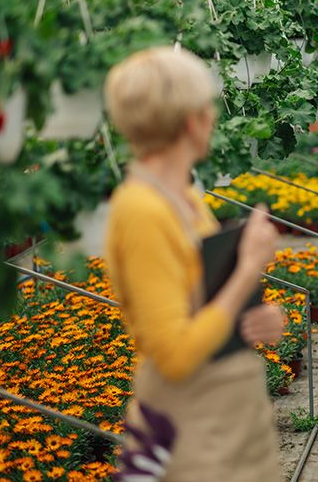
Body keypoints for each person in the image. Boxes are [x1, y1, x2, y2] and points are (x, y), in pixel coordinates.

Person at [104, 46, 284, 480]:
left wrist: (256, 320)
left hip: (227, 417)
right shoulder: (141, 211)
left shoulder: (183, 198)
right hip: (191, 429)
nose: (213, 118)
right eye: (208, 108)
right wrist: (246, 271)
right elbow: (175, 355)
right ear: (191, 121)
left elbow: (204, 308)